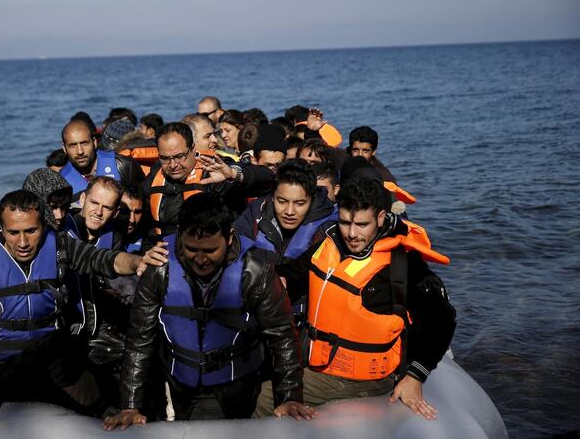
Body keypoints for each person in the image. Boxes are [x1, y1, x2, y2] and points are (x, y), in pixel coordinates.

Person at [0, 190, 168, 430]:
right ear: (2, 228)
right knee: (55, 346)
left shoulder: (59, 246)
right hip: (2, 368)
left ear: (43, 225)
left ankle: (114, 417)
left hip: (50, 361)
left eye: (31, 231)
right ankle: (104, 412)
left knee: (76, 350)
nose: (23, 242)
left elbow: (102, 259)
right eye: (13, 232)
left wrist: (139, 262)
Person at [102, 194, 314, 430]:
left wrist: (289, 397)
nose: (200, 259)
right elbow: (140, 339)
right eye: (191, 248)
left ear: (230, 237)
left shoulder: (256, 271)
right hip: (179, 381)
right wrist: (131, 405)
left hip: (238, 384)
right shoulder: (159, 268)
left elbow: (281, 334)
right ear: (180, 235)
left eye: (211, 250)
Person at [254, 177, 456, 420]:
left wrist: (415, 376)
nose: (351, 233)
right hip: (313, 358)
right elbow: (294, 274)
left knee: (259, 398)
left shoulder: (403, 265)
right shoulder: (329, 242)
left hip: (359, 378)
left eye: (361, 224)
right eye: (344, 222)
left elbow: (443, 320)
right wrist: (277, 282)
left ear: (380, 218)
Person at [144, 122, 275, 237]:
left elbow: (268, 179)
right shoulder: (155, 174)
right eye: (165, 158)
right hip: (165, 253)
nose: (173, 165)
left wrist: (234, 174)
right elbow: (146, 226)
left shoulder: (214, 170)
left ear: (193, 148)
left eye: (179, 156)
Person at [233, 160, 335, 304]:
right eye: (282, 201)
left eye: (299, 203)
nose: (289, 211)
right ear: (273, 197)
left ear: (312, 199)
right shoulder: (255, 212)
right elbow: (235, 251)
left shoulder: (330, 227)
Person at [59, 119, 145, 199]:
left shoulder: (123, 165)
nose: (80, 151)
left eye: (84, 143)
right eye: (72, 145)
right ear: (64, 148)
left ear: (95, 142)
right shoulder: (61, 181)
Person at [116, 183, 148, 254]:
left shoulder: (148, 238)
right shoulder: (100, 235)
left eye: (137, 212)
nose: (132, 220)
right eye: (125, 211)